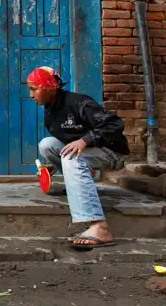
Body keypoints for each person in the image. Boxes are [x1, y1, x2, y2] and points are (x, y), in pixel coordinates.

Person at [27, 66, 130, 250]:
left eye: (34, 89)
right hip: (87, 151)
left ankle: (100, 227)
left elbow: (115, 124)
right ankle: (80, 179)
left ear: (49, 87)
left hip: (109, 149)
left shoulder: (79, 102)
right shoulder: (51, 111)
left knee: (71, 158)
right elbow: (67, 142)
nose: (31, 95)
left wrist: (85, 140)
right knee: (46, 145)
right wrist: (53, 166)